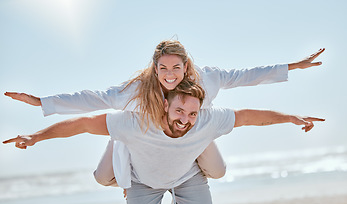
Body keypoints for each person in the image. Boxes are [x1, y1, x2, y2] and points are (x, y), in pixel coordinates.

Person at [4, 40, 325, 188]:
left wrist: (294, 66)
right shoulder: (138, 89)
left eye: (177, 68)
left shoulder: (209, 77)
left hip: (195, 135)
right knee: (103, 178)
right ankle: (134, 156)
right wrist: (40, 102)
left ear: (187, 66)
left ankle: (180, 174)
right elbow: (94, 99)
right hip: (141, 137)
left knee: (217, 172)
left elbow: (248, 76)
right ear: (154, 68)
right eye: (162, 68)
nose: (170, 75)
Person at [3, 80, 325, 204]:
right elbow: (84, 123)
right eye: (179, 111)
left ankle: (194, 158)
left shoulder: (205, 119)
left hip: (187, 176)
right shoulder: (135, 121)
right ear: (164, 106)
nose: (185, 119)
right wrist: (36, 136)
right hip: (142, 181)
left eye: (192, 114)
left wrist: (291, 118)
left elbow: (249, 117)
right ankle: (120, 149)